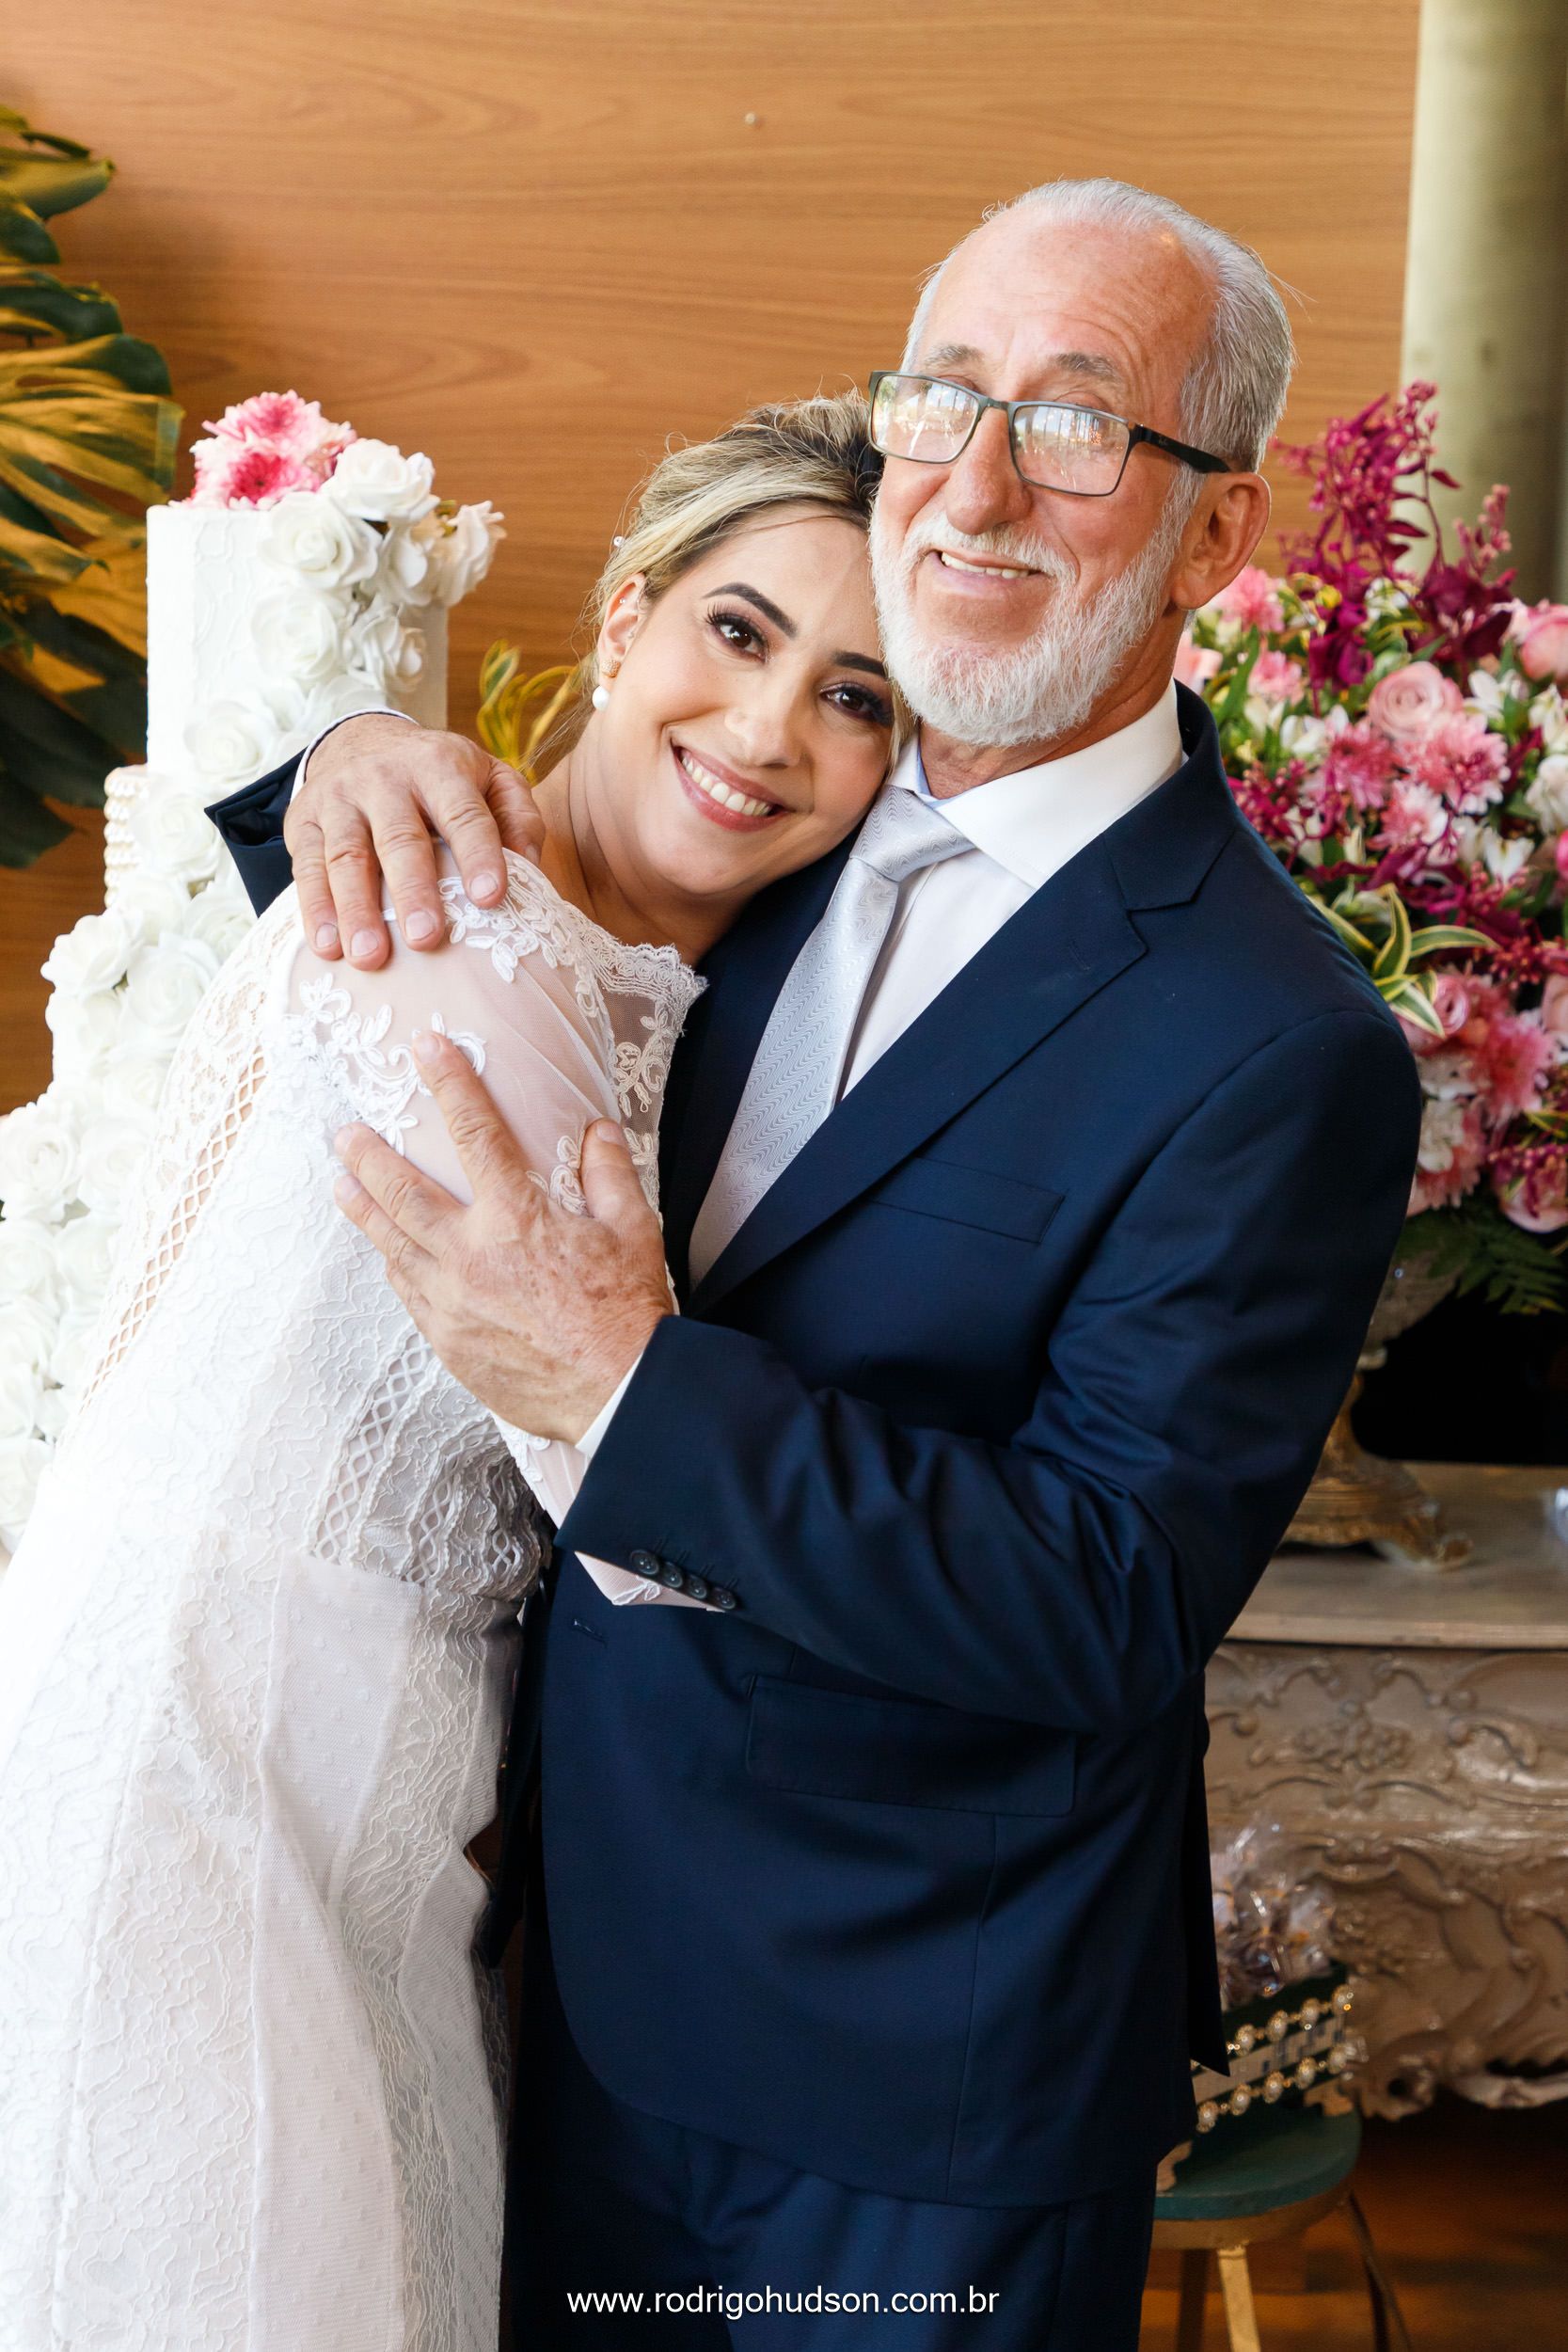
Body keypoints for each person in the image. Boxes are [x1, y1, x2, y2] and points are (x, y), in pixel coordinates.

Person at [218, 182, 1422, 2351]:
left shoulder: (1280, 1042)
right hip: (550, 1970)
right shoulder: (784, 804)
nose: (966, 483)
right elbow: (497, 928)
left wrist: (622, 1383)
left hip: (903, 2080)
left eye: (1071, 425)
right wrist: (350, 759)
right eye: (941, 394)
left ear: (1218, 536)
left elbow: (1105, 1588)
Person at [0, 396, 899, 2351]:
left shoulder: (661, 971)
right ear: (622, 616)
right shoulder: (452, 922)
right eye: (736, 634)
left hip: (382, 1798)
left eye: (857, 696)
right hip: (208, 1745)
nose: (767, 730)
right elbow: (627, 1469)